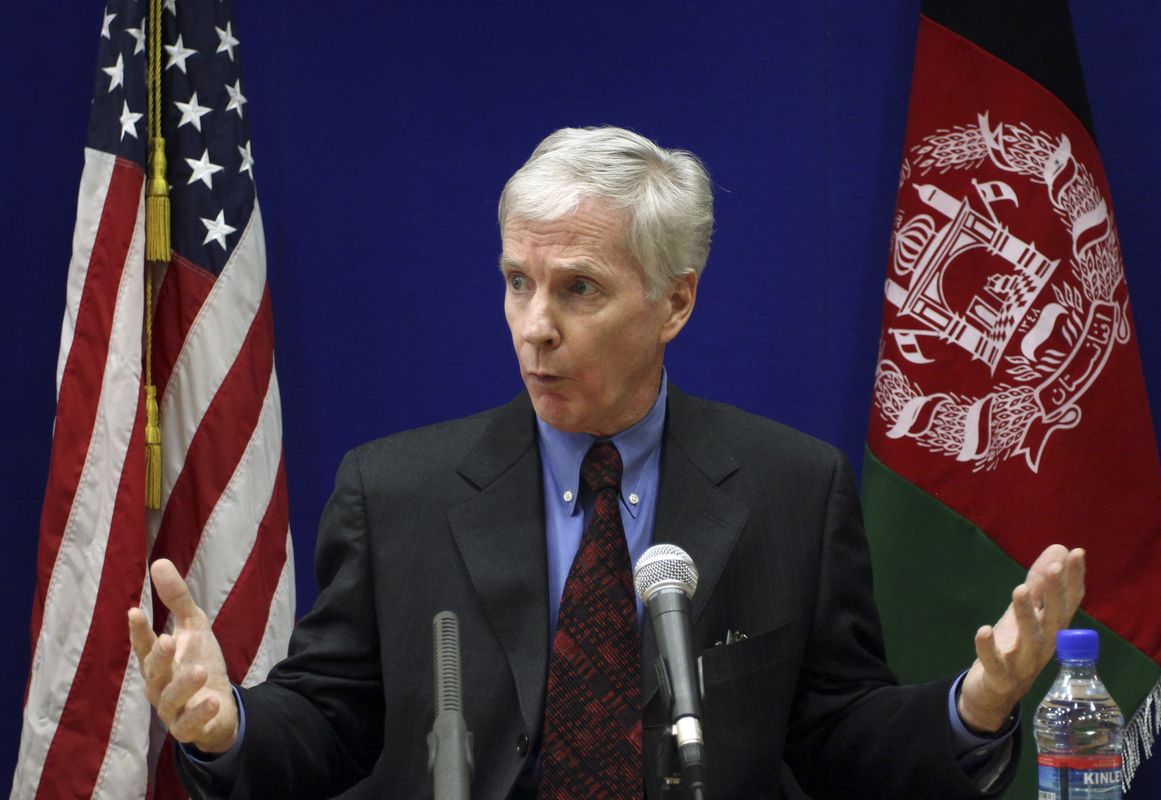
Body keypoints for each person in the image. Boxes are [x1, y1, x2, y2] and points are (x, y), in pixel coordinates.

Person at [129, 126, 1086, 799]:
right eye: (516, 283)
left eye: (577, 289)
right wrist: (229, 727)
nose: (534, 327)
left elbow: (837, 740)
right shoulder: (396, 492)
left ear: (675, 303)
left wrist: (976, 705)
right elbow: (332, 725)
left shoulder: (792, 487)